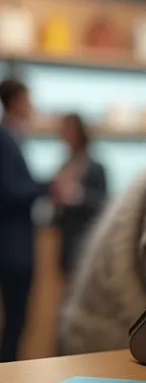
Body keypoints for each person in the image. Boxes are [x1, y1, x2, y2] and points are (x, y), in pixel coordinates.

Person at [0, 78, 49, 362]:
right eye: (28, 100)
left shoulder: (14, 137)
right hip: (11, 247)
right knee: (15, 320)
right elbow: (10, 190)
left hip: (14, 244)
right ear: (17, 101)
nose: (32, 106)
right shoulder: (5, 139)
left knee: (17, 322)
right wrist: (47, 187)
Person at [52, 113, 107, 283]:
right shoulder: (64, 166)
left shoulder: (95, 167)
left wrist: (78, 196)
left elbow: (103, 203)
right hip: (67, 242)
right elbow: (56, 215)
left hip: (88, 240)